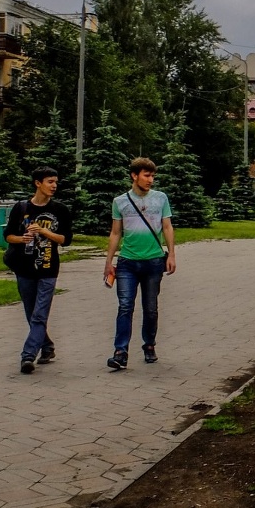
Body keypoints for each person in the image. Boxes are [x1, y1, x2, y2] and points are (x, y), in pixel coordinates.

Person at [103, 157, 176, 369]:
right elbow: (116, 233)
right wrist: (109, 261)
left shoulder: (161, 198)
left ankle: (149, 345)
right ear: (134, 176)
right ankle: (120, 352)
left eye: (153, 175)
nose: (150, 180)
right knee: (125, 306)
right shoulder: (120, 201)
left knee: (151, 308)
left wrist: (171, 254)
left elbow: (168, 227)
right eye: (147, 175)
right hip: (127, 263)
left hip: (153, 262)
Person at [4, 167, 73, 374]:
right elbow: (8, 236)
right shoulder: (21, 207)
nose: (54, 186)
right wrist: (22, 238)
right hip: (24, 268)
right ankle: (47, 346)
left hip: (48, 268)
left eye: (56, 182)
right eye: (50, 182)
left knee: (39, 314)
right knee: (31, 313)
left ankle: (27, 356)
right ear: (37, 183)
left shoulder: (60, 209)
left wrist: (44, 231)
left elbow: (66, 240)